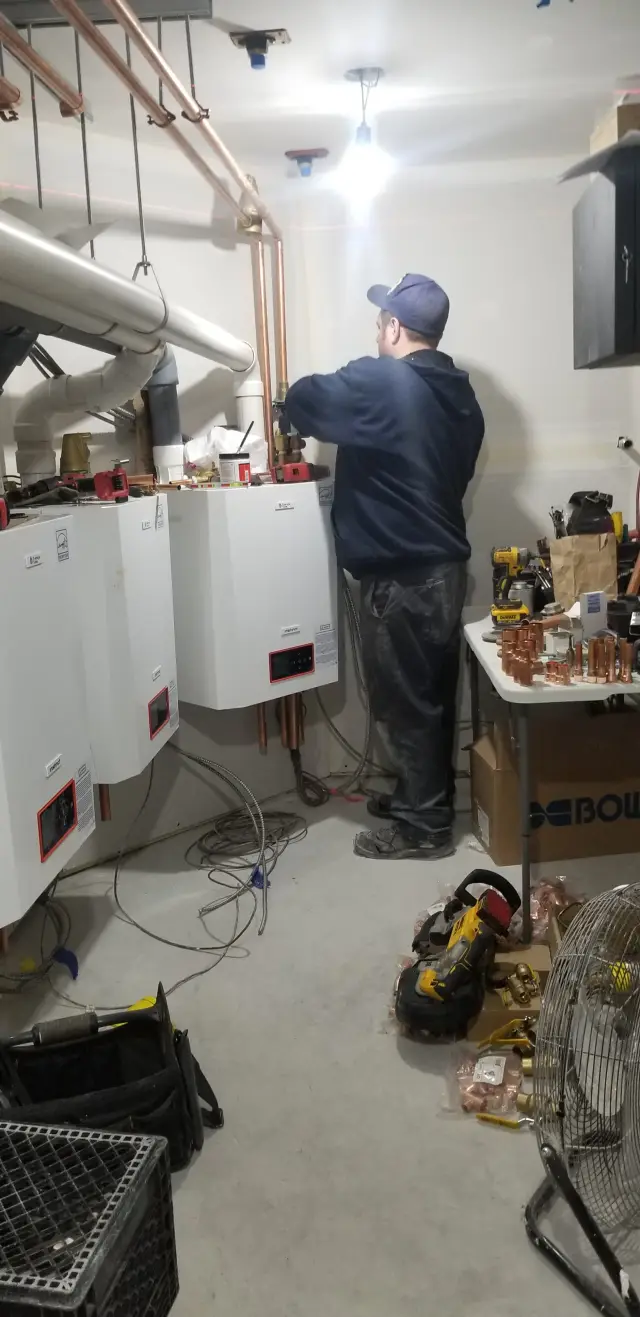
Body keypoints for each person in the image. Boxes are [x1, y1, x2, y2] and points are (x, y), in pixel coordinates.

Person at [284, 273, 485, 860]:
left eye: (379, 324)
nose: (376, 334)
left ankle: (423, 830)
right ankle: (422, 800)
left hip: (402, 577)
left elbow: (305, 399)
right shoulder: (460, 397)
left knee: (405, 704)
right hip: (442, 570)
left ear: (395, 327)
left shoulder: (384, 381)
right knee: (431, 698)